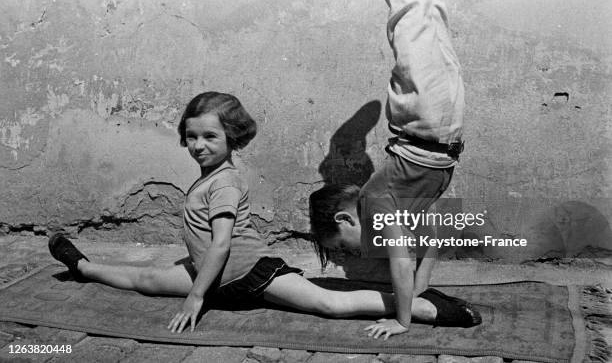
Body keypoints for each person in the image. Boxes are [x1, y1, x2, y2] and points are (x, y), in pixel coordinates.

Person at [49, 91, 452, 335]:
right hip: (210, 274)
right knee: (147, 279)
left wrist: (194, 298)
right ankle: (84, 267)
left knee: (328, 304)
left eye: (210, 136)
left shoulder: (224, 182)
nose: (198, 146)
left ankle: (417, 308)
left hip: (249, 274)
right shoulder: (208, 178)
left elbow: (222, 243)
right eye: (191, 137)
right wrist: (196, 283)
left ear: (232, 138)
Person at [310, 0, 480, 340]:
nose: (353, 255)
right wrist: (423, 280)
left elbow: (399, 263)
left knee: (409, 13)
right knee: (429, 13)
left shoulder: (375, 204)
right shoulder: (395, 203)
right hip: (441, 126)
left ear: (344, 220)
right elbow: (436, 230)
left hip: (424, 121)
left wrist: (402, 319)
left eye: (344, 249)